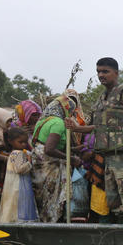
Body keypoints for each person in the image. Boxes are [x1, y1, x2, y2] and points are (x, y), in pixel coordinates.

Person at [80, 57, 123, 224]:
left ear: (116, 73)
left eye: (105, 71)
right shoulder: (102, 97)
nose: (101, 75)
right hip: (109, 159)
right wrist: (76, 128)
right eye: (98, 71)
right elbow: (97, 127)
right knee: (116, 204)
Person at [32, 92, 84, 222]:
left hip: (39, 161)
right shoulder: (58, 123)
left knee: (40, 198)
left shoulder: (43, 121)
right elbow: (49, 149)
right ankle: (51, 224)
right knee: (50, 200)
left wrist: (72, 149)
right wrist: (71, 159)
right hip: (49, 165)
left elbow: (46, 143)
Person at [0, 128, 38, 223]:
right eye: (20, 142)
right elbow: (20, 169)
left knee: (10, 205)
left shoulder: (13, 153)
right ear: (11, 141)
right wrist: (29, 162)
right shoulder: (19, 153)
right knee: (19, 205)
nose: (24, 144)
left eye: (25, 142)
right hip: (19, 185)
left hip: (12, 185)